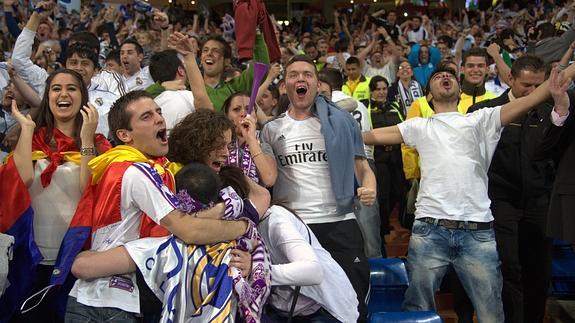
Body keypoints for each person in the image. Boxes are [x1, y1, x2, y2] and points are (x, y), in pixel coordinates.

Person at [362, 63, 575, 322]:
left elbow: (531, 98)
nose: (444, 77)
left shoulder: (482, 119)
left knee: (491, 314)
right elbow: (370, 136)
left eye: (449, 75)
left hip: (478, 231)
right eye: (438, 76)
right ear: (428, 95)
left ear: (459, 90)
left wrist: (570, 70)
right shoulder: (419, 126)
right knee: (417, 308)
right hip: (430, 228)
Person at [65, 91, 250, 322]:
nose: (159, 119)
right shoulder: (136, 170)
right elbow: (188, 230)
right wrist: (243, 226)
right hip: (109, 303)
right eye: (146, 116)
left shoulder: (124, 165)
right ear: (124, 135)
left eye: (158, 112)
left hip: (103, 296)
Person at [260, 55, 376, 321]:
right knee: (299, 309)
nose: (300, 79)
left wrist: (370, 187)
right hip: (297, 227)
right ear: (285, 85)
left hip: (340, 222)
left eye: (307, 74)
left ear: (316, 83)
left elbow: (363, 167)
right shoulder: (271, 129)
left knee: (353, 307)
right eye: (293, 74)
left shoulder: (342, 122)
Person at [0, 69, 109, 323]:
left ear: (83, 97)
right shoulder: (33, 138)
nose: (63, 93)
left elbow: (87, 188)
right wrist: (26, 128)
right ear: (47, 96)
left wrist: (85, 139)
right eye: (56, 88)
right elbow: (21, 179)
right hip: (29, 257)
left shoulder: (99, 144)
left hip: (75, 259)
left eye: (72, 88)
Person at [465, 55, 554, 323]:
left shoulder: (553, 112)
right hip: (500, 202)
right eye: (526, 85)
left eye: (538, 86)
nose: (532, 92)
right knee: (508, 267)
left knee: (539, 270)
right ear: (510, 79)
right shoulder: (486, 111)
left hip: (540, 202)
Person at [261, 203, 359, 322]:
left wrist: (259, 271)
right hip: (283, 310)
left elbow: (313, 271)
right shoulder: (250, 226)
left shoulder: (276, 219)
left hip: (322, 309)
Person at [367, 75, 408, 246]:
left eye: (384, 89)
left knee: (398, 193)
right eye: (378, 89)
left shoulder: (395, 106)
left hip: (397, 157)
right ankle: (382, 229)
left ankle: (391, 223)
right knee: (382, 195)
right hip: (380, 158)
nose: (382, 92)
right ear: (371, 91)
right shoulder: (366, 108)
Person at [222, 92, 277, 186]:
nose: (243, 113)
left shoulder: (263, 145)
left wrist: (250, 138)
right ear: (227, 116)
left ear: (255, 118)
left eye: (249, 109)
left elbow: (269, 180)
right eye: (236, 109)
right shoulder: (219, 144)